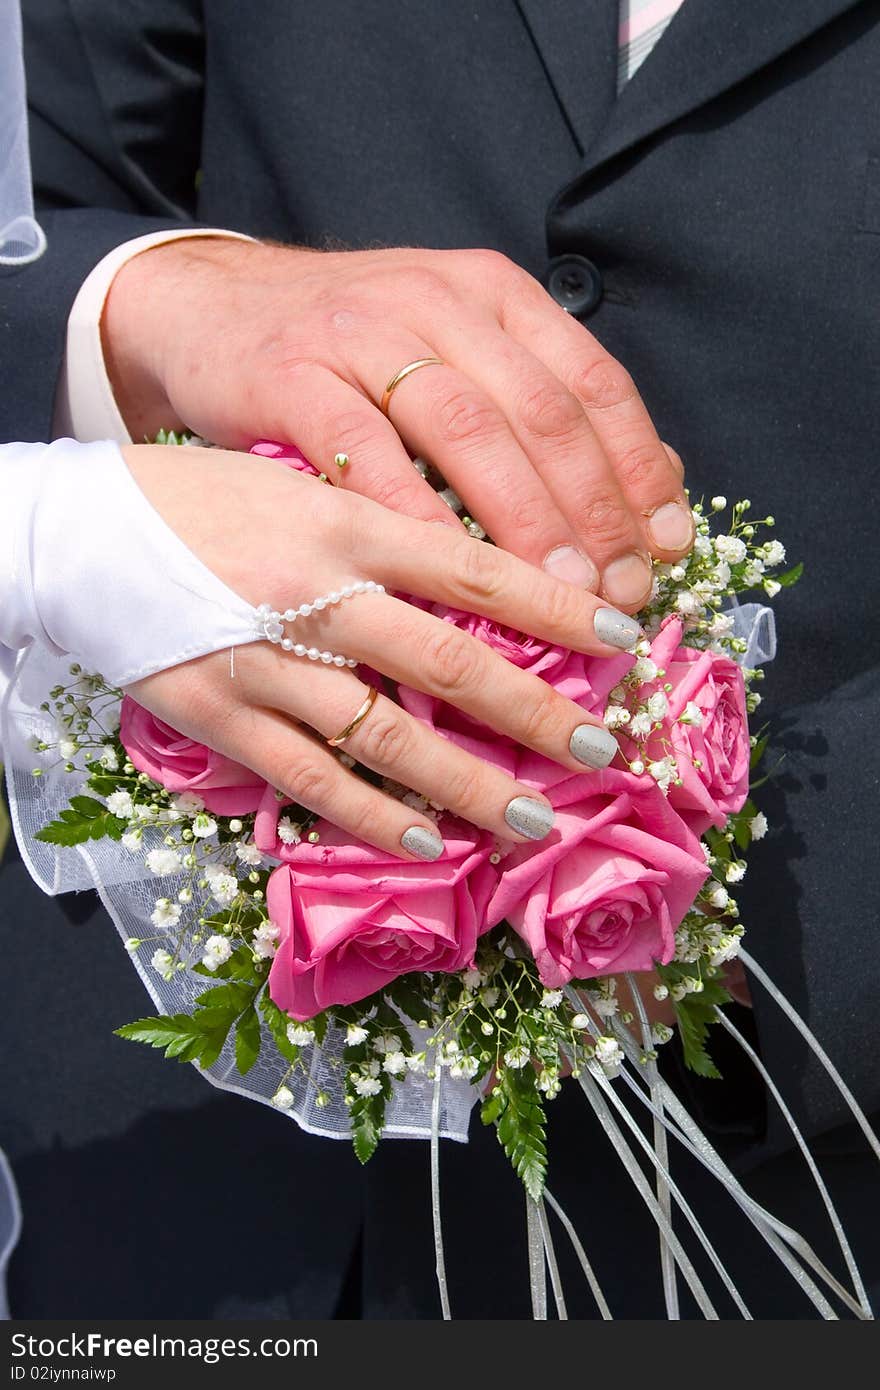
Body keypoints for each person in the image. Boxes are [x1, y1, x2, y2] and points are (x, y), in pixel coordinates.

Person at [1, 0, 878, 1316]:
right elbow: (45, 176)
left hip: (781, 1191)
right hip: (161, 1172)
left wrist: (748, 896)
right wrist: (150, 302)